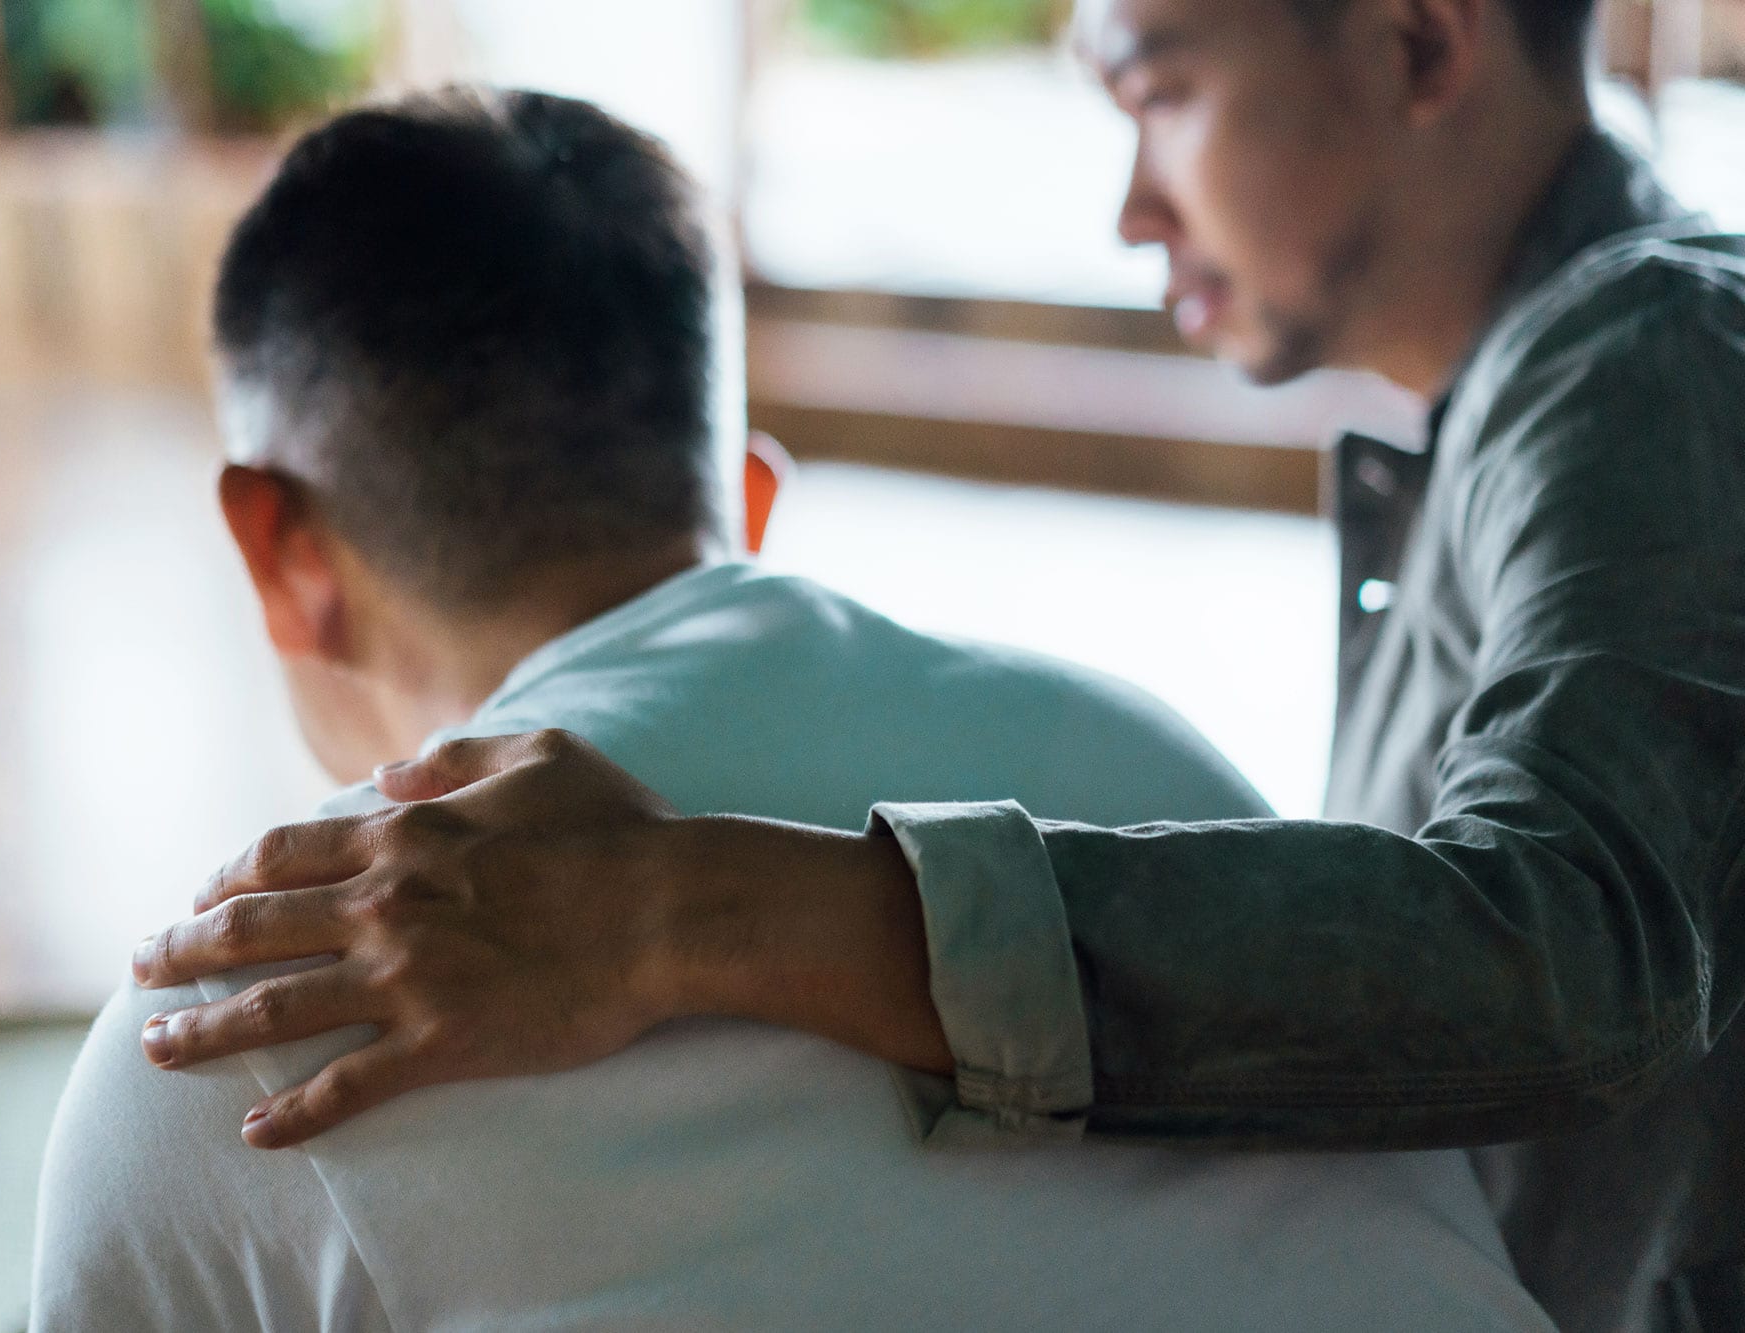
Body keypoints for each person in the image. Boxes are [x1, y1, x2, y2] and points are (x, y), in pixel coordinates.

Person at [134, 0, 1745, 1324]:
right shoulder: (1540, 407)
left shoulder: (1651, 351)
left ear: (1419, 41)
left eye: (1163, 91)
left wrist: (672, 908)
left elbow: (1581, 949)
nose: (1130, 203)